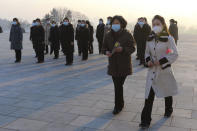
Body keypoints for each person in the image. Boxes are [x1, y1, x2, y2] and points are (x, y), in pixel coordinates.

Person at [139, 15, 179, 129]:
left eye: (158, 24)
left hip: (164, 70)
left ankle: (168, 109)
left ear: (163, 25)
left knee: (167, 91)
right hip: (152, 72)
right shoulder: (149, 38)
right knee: (149, 96)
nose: (155, 26)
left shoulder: (169, 39)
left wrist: (160, 61)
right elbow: (146, 52)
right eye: (154, 24)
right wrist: (148, 61)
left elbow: (173, 53)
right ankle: (145, 120)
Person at [102, 15, 135, 115]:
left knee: (119, 85)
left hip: (124, 64)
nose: (115, 25)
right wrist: (106, 52)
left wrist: (123, 49)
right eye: (113, 23)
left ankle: (119, 104)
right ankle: (118, 105)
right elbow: (103, 48)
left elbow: (132, 48)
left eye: (117, 23)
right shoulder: (108, 35)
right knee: (118, 86)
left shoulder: (127, 34)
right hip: (113, 65)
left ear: (122, 24)